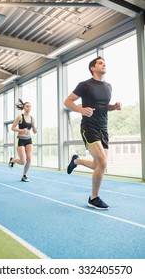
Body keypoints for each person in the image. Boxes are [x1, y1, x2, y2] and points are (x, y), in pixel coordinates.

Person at [64, 56, 122, 210]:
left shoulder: (108, 86)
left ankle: (76, 161)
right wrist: (81, 110)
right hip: (89, 127)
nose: (104, 65)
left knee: (99, 165)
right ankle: (93, 198)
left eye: (105, 62)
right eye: (100, 63)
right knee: (102, 162)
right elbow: (68, 101)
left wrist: (113, 106)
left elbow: (102, 106)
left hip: (103, 128)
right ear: (92, 68)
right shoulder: (85, 85)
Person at [8, 99, 37, 182]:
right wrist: (21, 130)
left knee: (29, 159)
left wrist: (35, 129)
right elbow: (12, 128)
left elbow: (34, 132)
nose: (29, 108)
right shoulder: (20, 117)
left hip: (29, 140)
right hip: (21, 140)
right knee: (23, 161)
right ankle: (12, 160)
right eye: (27, 106)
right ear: (24, 108)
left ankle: (24, 175)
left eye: (30, 106)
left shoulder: (32, 119)